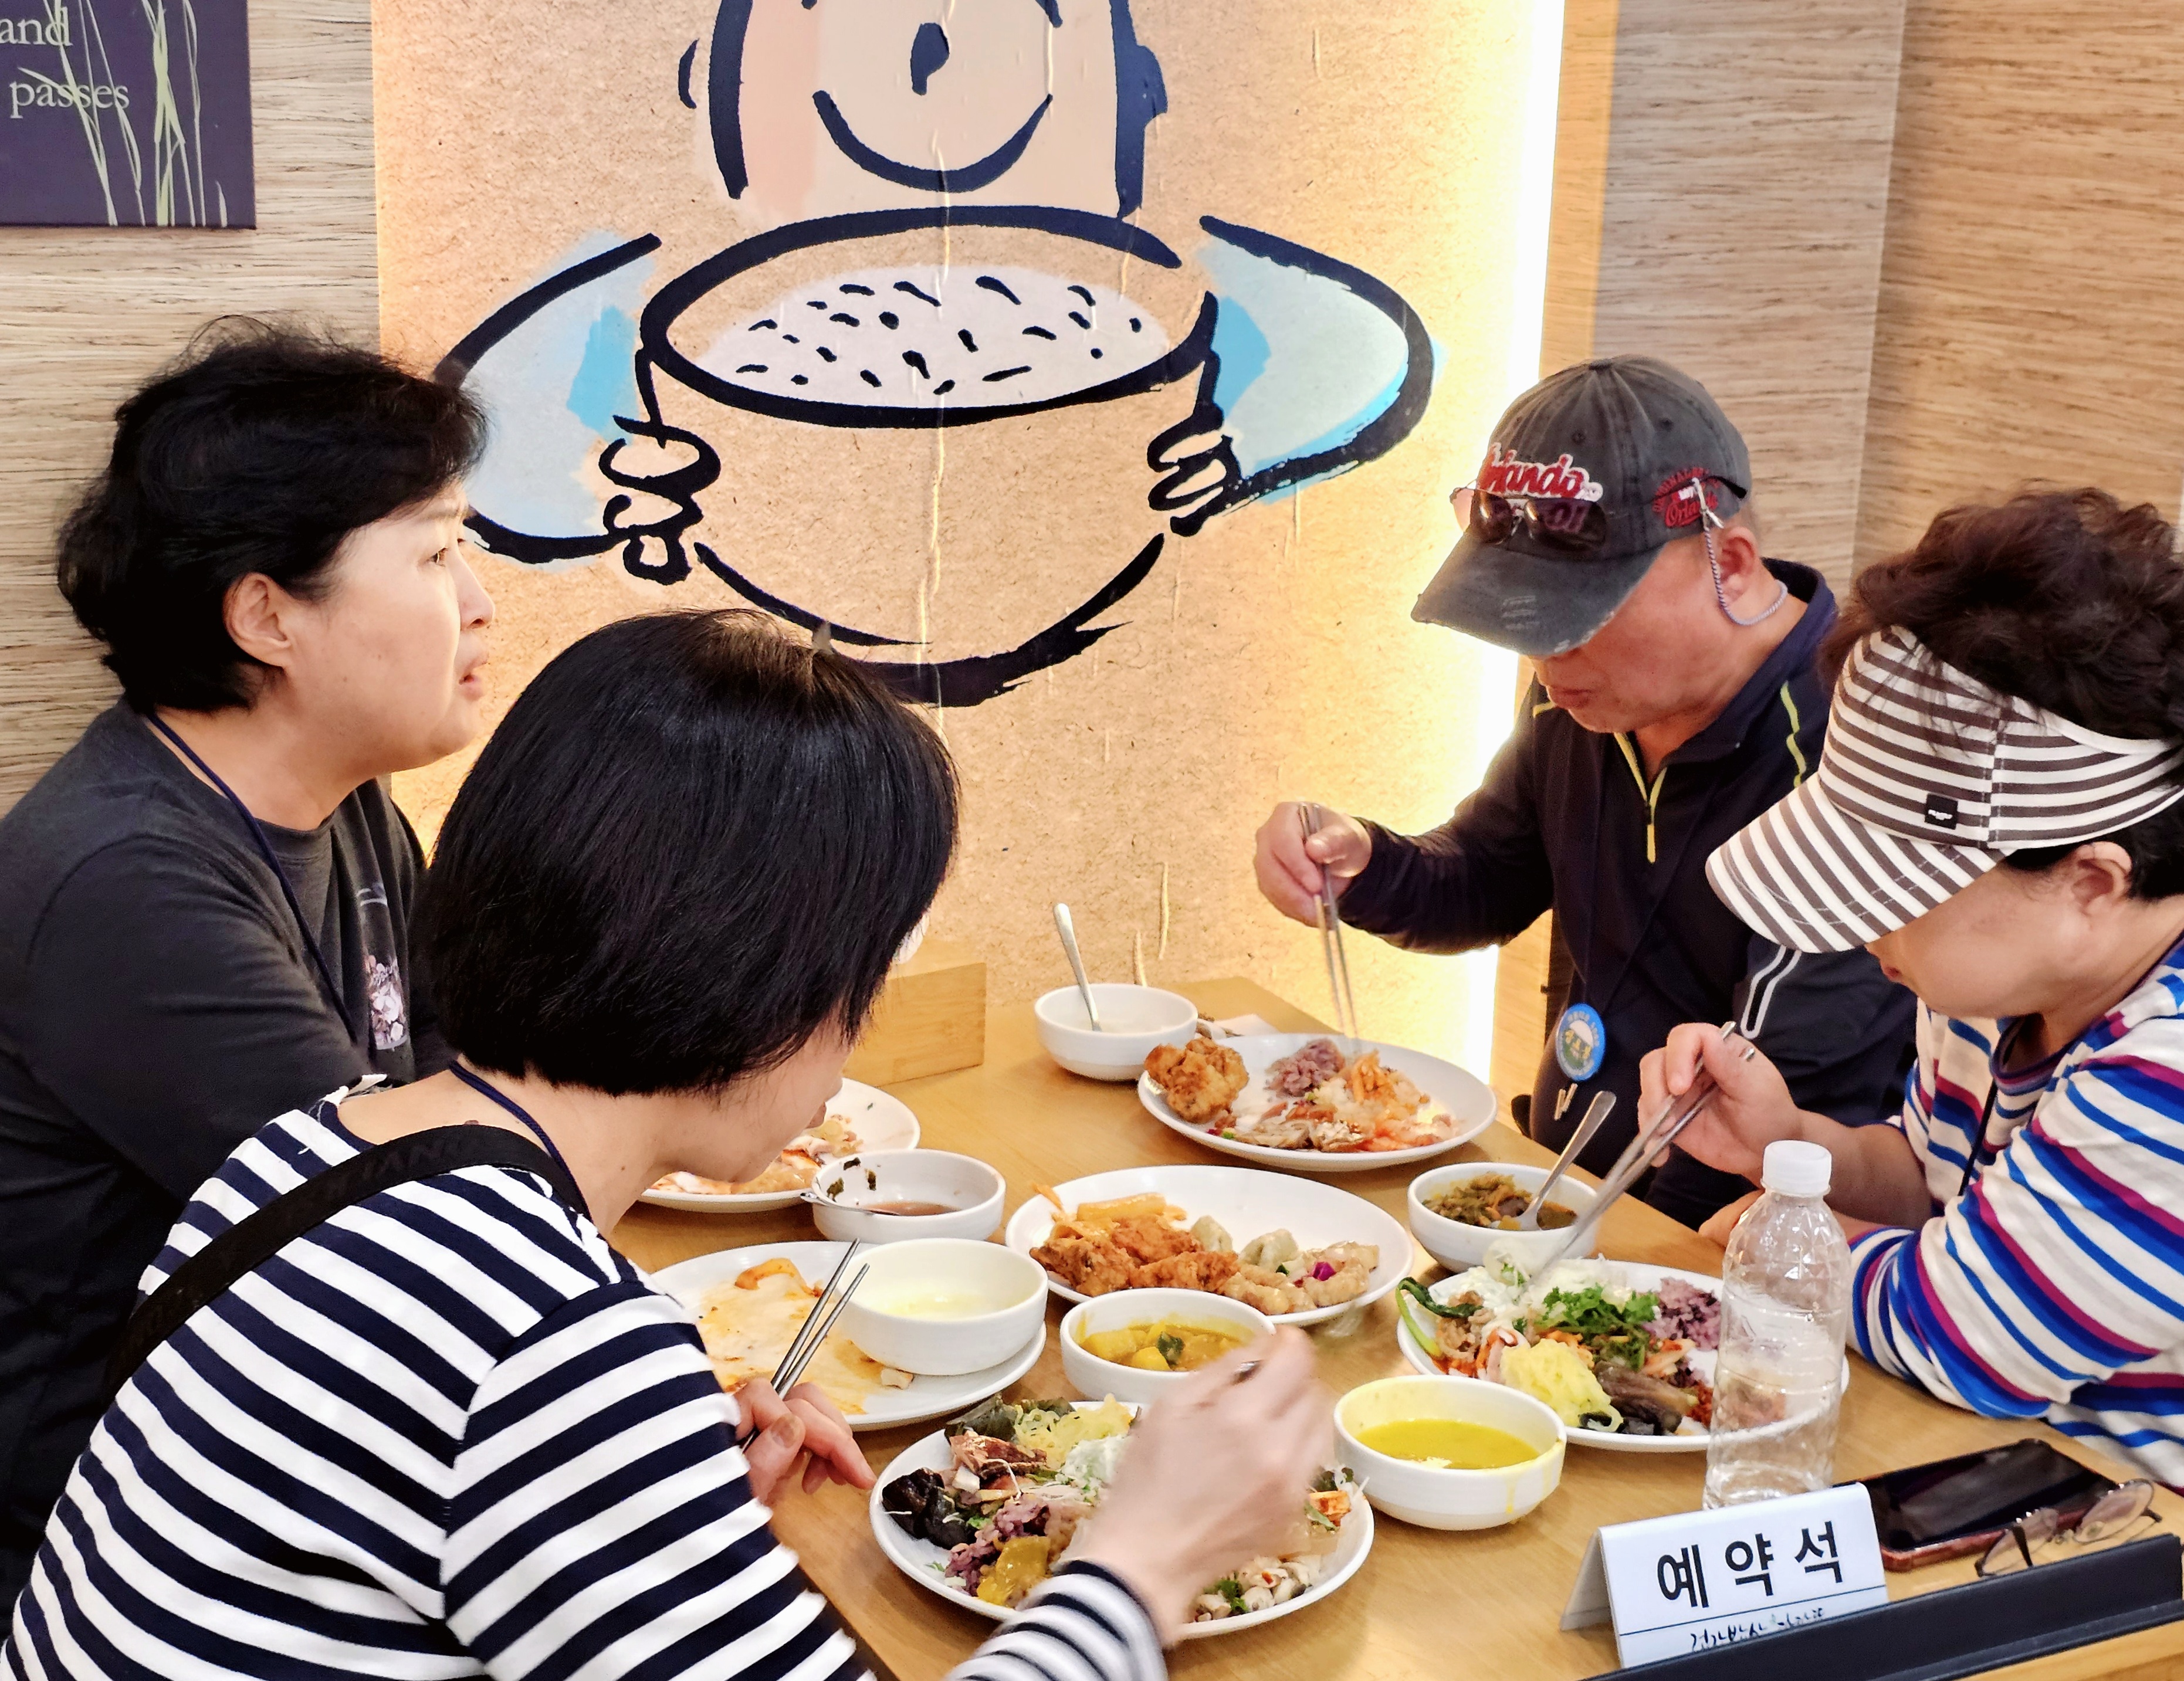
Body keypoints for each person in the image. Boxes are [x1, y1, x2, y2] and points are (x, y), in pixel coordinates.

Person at [5, 609, 1333, 1679]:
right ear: (762, 984)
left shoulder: (307, 1148)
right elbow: (517, 1401)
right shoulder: (547, 1349)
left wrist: (652, 1504)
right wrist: (1143, 1562)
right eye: (866, 973)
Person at [0, 322, 494, 1602]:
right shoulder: (124, 880)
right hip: (128, 1557)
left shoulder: (350, 802)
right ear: (268, 613)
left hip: (308, 1453)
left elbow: (464, 1090)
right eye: (437, 552)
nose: (480, 600)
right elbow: (407, 1233)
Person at [1253, 355, 1912, 1226]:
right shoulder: (1588, 694)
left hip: (1727, 1236)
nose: (1545, 659)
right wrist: (1366, 865)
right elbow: (1490, 873)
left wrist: (1584, 1265)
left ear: (1731, 564)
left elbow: (1781, 1100)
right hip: (1563, 1194)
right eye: (1527, 618)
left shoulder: (1854, 752)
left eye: (1579, 618)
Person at [1645, 489, 2184, 1485]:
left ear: (2092, 883)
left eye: (1904, 894)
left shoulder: (2168, 1073)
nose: (1868, 930)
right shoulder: (1998, 986)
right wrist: (1790, 1145)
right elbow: (1934, 1182)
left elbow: (1962, 1334)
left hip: (2131, 1532)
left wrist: (1786, 1253)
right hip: (1988, 1472)